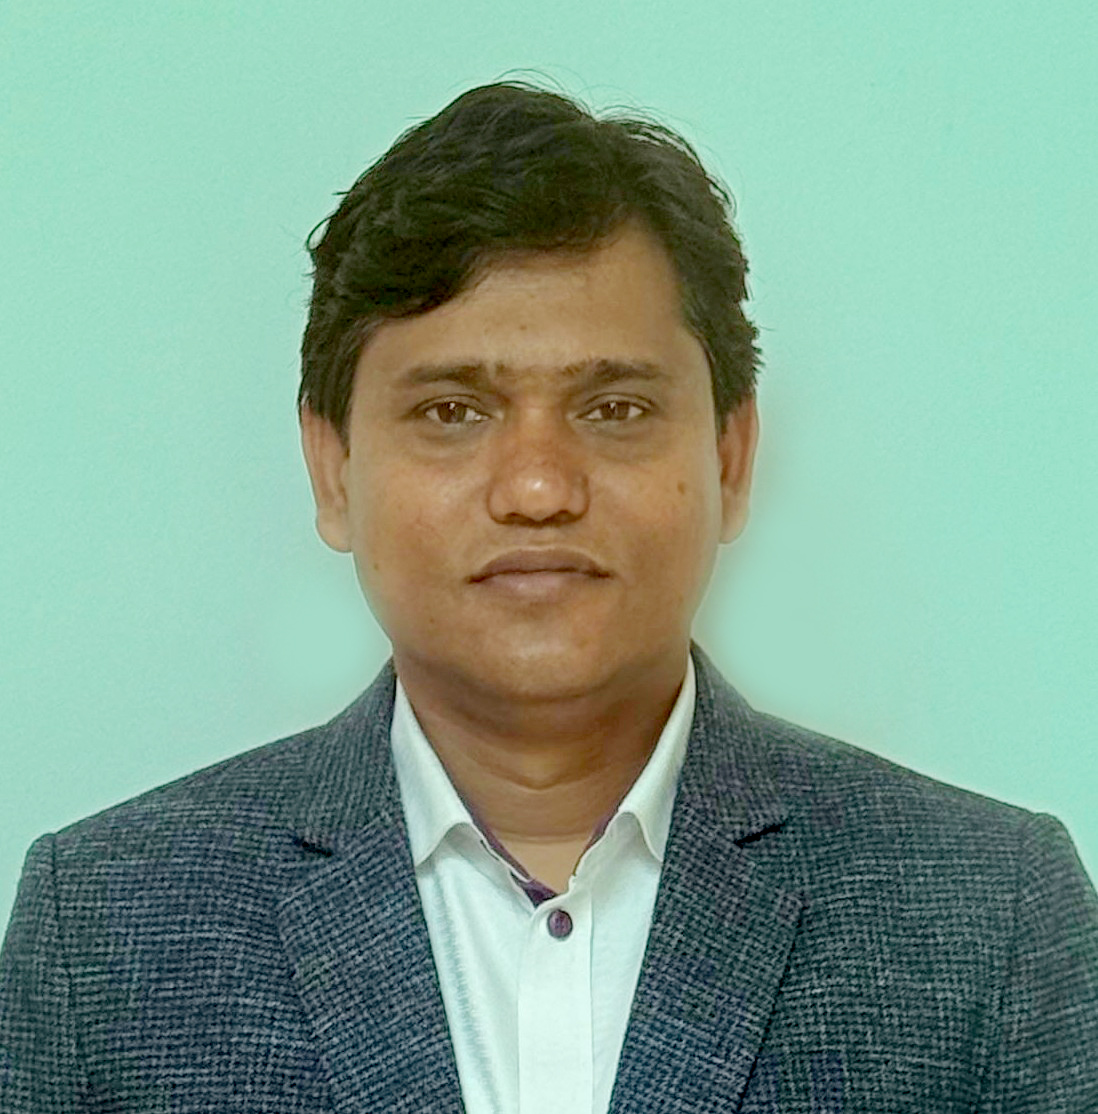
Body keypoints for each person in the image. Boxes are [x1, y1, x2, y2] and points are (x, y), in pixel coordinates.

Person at [2, 79, 1096, 1113]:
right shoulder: (102, 927)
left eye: (615, 409)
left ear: (731, 458)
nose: (536, 488)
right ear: (332, 469)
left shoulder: (990, 915)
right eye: (452, 412)